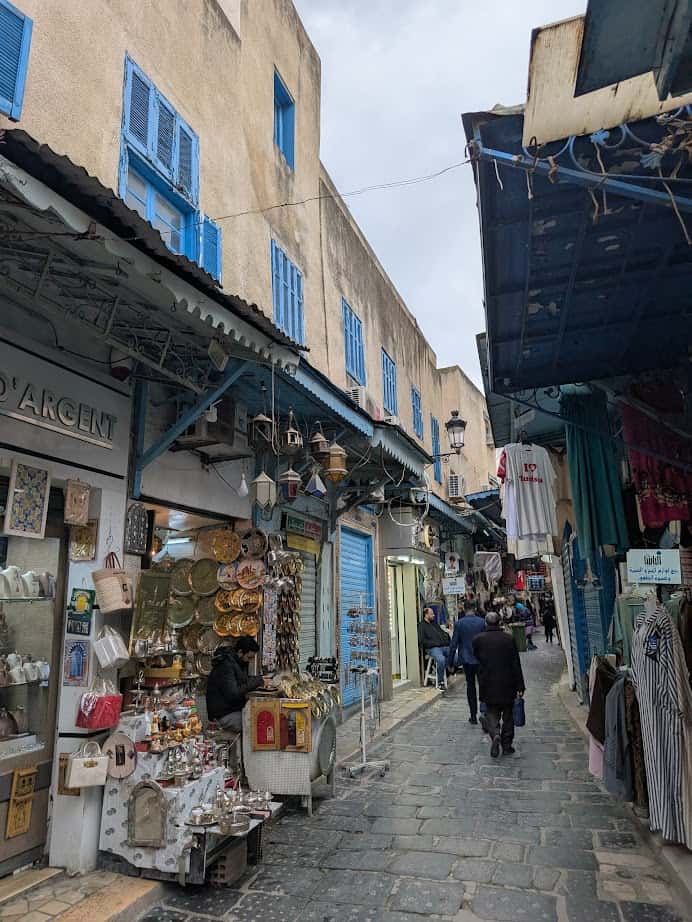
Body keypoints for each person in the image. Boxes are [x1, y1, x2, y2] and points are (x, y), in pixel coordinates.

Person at [473, 611, 526, 757]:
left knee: (491, 713)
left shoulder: (478, 640)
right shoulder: (508, 639)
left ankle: (495, 733)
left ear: (486, 623)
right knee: (508, 716)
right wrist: (520, 686)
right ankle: (507, 745)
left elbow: (477, 660)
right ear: (499, 622)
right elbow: (516, 663)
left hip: (488, 683)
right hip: (508, 683)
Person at [206, 637, 271, 731]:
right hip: (223, 715)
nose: (250, 660)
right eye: (249, 657)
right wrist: (258, 682)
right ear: (240, 652)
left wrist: (259, 679)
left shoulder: (236, 663)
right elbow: (234, 694)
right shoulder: (226, 666)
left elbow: (243, 681)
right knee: (256, 725)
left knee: (260, 717)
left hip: (231, 710)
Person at [447, 599, 486, 724]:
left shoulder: (459, 623)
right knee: (483, 686)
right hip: (481, 659)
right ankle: (484, 712)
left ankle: (473, 715)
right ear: (474, 608)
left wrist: (450, 663)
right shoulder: (481, 622)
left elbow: (453, 645)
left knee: (471, 686)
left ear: (464, 609)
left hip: (467, 659)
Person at [418, 607, 450, 686]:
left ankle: (450, 670)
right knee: (441, 660)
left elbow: (443, 634)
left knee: (456, 656)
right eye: (431, 614)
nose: (434, 615)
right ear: (426, 615)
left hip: (442, 646)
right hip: (432, 648)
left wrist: (446, 640)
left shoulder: (434, 624)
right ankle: (440, 681)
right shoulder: (421, 626)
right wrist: (435, 643)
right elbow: (422, 641)